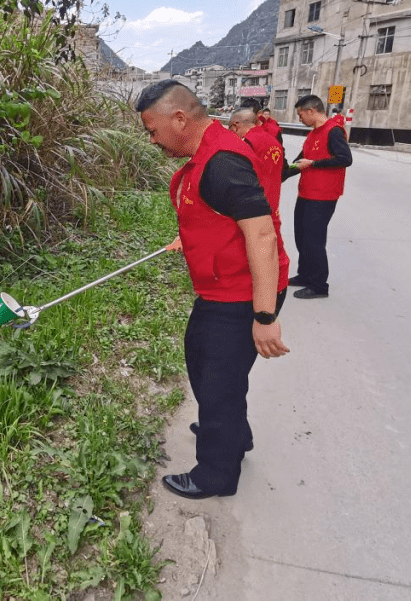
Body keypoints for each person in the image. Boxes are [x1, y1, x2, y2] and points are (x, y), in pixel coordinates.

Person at [136, 80, 289, 500]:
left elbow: (260, 236)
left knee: (217, 381)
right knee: (206, 362)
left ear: (179, 119)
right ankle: (234, 435)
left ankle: (216, 475)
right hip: (223, 291)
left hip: (241, 296)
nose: (152, 141)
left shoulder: (222, 161)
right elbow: (224, 214)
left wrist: (264, 316)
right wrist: (193, 237)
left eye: (153, 130)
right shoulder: (207, 153)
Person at [285, 94, 352, 299]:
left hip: (323, 196)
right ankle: (305, 275)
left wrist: (314, 164)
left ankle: (319, 285)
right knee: (301, 236)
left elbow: (345, 159)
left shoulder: (333, 132)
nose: (300, 119)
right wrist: (279, 174)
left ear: (311, 111)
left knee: (314, 240)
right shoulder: (313, 134)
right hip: (306, 192)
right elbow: (300, 161)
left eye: (300, 115)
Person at [228, 108, 291, 304]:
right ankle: (275, 290)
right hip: (272, 208)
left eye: (231, 130)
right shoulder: (273, 142)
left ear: (236, 125)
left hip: (253, 212)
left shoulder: (247, 144)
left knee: (256, 256)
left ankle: (263, 301)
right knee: (274, 251)